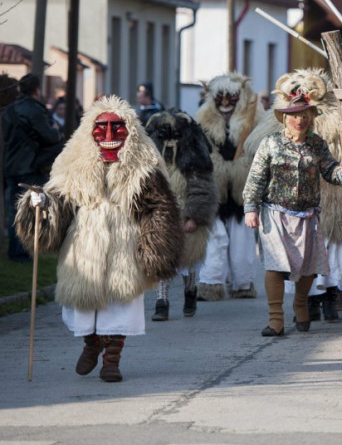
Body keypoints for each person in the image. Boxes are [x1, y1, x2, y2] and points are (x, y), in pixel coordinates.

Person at [15, 96, 182, 382]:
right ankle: (91, 344)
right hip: (84, 245)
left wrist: (155, 248)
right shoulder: (72, 164)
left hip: (124, 244)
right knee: (83, 303)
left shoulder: (143, 168)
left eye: (117, 128)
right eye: (100, 128)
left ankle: (112, 360)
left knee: (121, 305)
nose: (108, 136)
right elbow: (61, 200)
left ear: (130, 131)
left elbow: (158, 208)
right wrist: (40, 203)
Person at [243, 90, 342, 336]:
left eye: (305, 115)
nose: (300, 120)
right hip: (275, 213)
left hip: (307, 215)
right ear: (285, 118)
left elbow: (330, 170)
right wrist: (250, 208)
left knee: (309, 266)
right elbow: (256, 178)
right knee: (276, 265)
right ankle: (276, 320)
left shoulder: (317, 143)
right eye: (294, 115)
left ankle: (301, 304)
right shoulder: (271, 143)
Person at [195, 73, 264, 300]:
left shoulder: (255, 119)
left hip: (243, 189)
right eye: (220, 98)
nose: (225, 104)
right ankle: (210, 283)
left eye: (231, 98)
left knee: (243, 239)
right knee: (215, 238)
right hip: (214, 188)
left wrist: (242, 168)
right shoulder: (203, 120)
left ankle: (243, 284)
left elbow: (260, 152)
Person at [145, 110, 218, 321]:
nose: (170, 141)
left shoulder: (196, 161)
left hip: (188, 213)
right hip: (163, 214)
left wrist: (195, 215)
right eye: (165, 135)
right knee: (164, 260)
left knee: (189, 259)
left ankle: (190, 290)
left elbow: (203, 186)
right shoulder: (153, 163)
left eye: (175, 135)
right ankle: (162, 302)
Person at [2, 73, 63, 262]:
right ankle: (22, 252)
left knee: (15, 210)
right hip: (30, 167)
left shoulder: (9, 110)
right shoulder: (33, 109)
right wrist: (54, 128)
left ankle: (17, 251)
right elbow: (50, 137)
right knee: (31, 210)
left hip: (12, 166)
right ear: (37, 89)